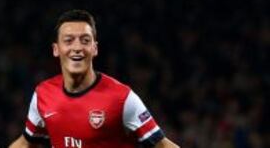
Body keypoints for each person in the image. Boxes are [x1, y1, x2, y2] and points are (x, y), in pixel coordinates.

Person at [9, 10, 179, 148]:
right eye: (68, 41)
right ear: (56, 49)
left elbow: (162, 145)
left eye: (85, 41)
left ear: (94, 48)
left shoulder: (121, 98)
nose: (77, 48)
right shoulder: (43, 94)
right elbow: (25, 142)